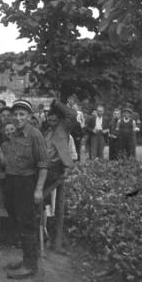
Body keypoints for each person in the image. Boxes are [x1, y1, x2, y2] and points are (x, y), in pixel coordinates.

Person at [3, 99, 48, 279]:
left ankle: (31, 266)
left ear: (29, 116)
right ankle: (26, 259)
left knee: (27, 222)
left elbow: (43, 164)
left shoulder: (35, 135)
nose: (18, 118)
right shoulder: (13, 134)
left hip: (27, 182)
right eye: (15, 114)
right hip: (12, 181)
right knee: (17, 220)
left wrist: (38, 189)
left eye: (22, 114)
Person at [43, 99, 77, 253]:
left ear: (59, 119)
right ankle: (46, 236)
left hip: (57, 169)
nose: (52, 121)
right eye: (49, 118)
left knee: (58, 206)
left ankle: (57, 241)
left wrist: (57, 104)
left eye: (55, 118)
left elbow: (72, 114)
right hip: (45, 169)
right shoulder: (46, 132)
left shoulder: (63, 129)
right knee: (45, 204)